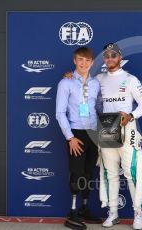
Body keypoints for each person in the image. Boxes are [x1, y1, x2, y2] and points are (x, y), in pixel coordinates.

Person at [64, 43, 142, 230]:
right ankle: (113, 213)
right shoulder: (98, 79)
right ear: (104, 59)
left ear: (120, 57)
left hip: (127, 129)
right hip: (106, 128)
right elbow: (81, 86)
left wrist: (131, 116)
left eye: (114, 55)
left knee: (132, 173)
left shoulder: (130, 79)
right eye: (107, 56)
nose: (110, 58)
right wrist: (70, 76)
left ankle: (138, 213)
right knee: (110, 173)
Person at [56, 47, 102, 230]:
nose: (84, 64)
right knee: (77, 173)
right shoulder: (65, 83)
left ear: (92, 62)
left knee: (89, 172)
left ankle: (84, 208)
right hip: (76, 133)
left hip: (93, 134)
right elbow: (60, 113)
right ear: (75, 60)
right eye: (80, 60)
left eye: (87, 61)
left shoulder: (96, 83)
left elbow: (98, 107)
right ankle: (72, 212)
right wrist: (70, 138)